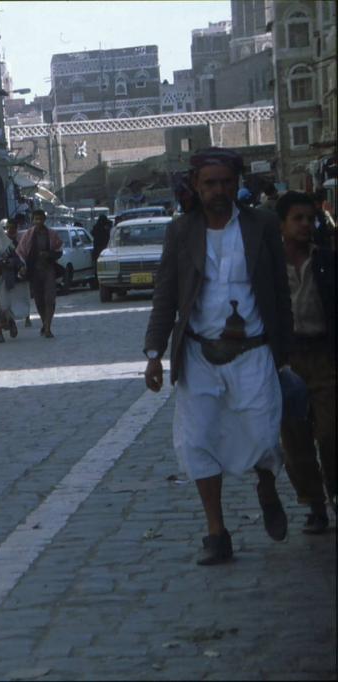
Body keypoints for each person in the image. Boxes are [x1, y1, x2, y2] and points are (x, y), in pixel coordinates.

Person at [143, 147, 294, 566]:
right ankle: (216, 532)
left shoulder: (261, 225)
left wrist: (286, 351)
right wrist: (154, 353)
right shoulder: (181, 232)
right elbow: (165, 295)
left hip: (255, 352)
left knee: (264, 435)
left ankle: (267, 486)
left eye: (226, 182)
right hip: (199, 353)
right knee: (197, 442)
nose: (218, 190)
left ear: (237, 183)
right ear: (195, 185)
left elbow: (280, 294)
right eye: (210, 183)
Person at [276, 191, 336, 533]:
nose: (304, 225)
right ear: (282, 224)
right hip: (288, 360)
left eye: (309, 219)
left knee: (330, 433)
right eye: (296, 219)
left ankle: (335, 491)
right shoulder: (270, 267)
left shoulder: (326, 261)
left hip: (323, 357)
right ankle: (314, 504)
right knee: (296, 440)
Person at [16, 209, 63, 338]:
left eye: (40, 219)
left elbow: (59, 250)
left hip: (48, 270)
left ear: (44, 219)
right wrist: (23, 267)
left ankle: (48, 327)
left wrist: (49, 254)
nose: (38, 221)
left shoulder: (52, 234)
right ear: (33, 220)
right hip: (34, 271)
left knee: (50, 298)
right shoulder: (28, 235)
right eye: (36, 219)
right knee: (39, 300)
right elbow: (20, 252)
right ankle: (45, 323)